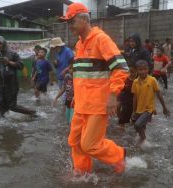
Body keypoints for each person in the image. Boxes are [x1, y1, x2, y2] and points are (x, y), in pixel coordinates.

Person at [60, 3, 129, 174]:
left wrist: (113, 96)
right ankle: (82, 171)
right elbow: (82, 74)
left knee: (90, 144)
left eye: (71, 21)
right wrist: (76, 96)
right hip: (81, 104)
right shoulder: (79, 44)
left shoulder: (101, 39)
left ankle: (118, 155)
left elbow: (121, 68)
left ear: (83, 19)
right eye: (68, 23)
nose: (69, 26)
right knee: (74, 141)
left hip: (98, 105)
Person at [0, 36, 36, 117]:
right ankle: (4, 122)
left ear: (4, 43)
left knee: (12, 106)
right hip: (2, 84)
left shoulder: (12, 53)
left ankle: (31, 112)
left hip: (12, 84)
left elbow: (21, 66)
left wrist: (9, 62)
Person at [131, 60, 170, 146]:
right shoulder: (135, 82)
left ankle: (143, 139)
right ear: (137, 70)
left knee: (137, 125)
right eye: (140, 69)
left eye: (145, 69)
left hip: (149, 109)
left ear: (148, 69)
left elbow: (159, 94)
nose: (143, 71)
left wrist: (164, 107)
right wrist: (133, 111)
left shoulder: (152, 80)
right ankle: (144, 143)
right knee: (140, 127)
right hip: (138, 109)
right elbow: (135, 97)